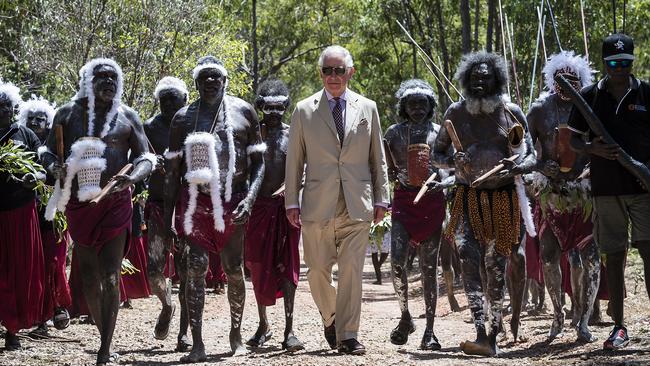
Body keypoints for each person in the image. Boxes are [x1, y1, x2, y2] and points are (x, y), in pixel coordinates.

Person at [41, 58, 155, 365]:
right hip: (81, 203)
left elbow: (146, 156)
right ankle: (104, 333)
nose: (108, 82)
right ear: (88, 82)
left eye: (113, 78)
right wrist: (55, 167)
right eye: (101, 77)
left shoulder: (127, 116)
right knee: (89, 275)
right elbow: (47, 150)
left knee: (110, 273)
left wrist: (132, 177)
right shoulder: (68, 113)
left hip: (116, 201)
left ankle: (105, 349)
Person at [285, 45, 390, 355]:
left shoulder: (368, 107)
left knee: (352, 272)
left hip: (358, 203)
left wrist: (382, 198)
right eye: (327, 70)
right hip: (318, 203)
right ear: (320, 74)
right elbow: (295, 160)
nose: (333, 76)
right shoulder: (304, 110)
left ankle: (348, 335)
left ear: (350, 72)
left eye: (339, 70)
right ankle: (331, 316)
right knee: (316, 270)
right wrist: (292, 201)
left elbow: (378, 159)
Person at [433, 51, 536, 356]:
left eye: (486, 77)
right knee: (467, 257)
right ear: (467, 80)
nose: (480, 82)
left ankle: (492, 334)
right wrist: (454, 161)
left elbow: (531, 155)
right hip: (467, 198)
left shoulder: (511, 110)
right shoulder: (455, 113)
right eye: (475, 78)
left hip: (503, 198)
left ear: (496, 80)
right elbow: (437, 156)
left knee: (497, 265)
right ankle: (481, 330)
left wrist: (517, 166)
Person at [164, 56, 265, 363]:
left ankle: (236, 335)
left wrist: (249, 200)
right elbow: (172, 171)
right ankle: (197, 343)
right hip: (196, 200)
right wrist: (170, 216)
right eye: (204, 77)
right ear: (196, 83)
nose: (210, 81)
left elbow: (258, 164)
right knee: (194, 268)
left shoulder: (243, 112)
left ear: (225, 81)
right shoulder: (183, 118)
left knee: (234, 268)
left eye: (215, 77)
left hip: (234, 198)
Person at [567, 33, 650, 350]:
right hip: (606, 189)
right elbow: (574, 141)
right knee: (614, 256)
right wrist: (592, 149)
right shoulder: (588, 96)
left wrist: (644, 168)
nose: (619, 69)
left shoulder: (646, 93)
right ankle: (619, 326)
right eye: (613, 63)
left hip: (642, 188)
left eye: (624, 63)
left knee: (648, 252)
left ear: (632, 62)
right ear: (604, 63)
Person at [526, 50, 601, 342]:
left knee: (591, 259)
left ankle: (582, 320)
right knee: (548, 256)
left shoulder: (589, 108)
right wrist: (541, 164)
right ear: (552, 80)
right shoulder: (539, 109)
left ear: (580, 81)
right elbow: (525, 150)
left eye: (572, 80)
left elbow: (600, 143)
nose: (566, 85)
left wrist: (591, 168)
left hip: (582, 196)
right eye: (561, 80)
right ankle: (557, 315)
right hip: (551, 193)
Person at [384, 79, 452, 350]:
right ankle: (405, 317)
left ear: (430, 106)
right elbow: (385, 166)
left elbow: (451, 167)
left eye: (422, 104)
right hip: (403, 201)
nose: (417, 109)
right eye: (412, 104)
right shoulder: (393, 134)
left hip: (432, 203)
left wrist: (443, 181)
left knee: (429, 268)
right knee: (397, 263)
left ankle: (430, 331)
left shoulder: (440, 133)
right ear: (404, 107)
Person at [244, 79, 304, 352]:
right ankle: (263, 324)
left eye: (280, 107)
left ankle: (289, 329)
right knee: (257, 266)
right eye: (269, 107)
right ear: (261, 107)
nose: (275, 113)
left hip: (286, 209)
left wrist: (292, 189)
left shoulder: (294, 135)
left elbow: (307, 169)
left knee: (288, 265)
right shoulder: (252, 136)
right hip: (257, 209)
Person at [19, 96, 73, 334]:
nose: (35, 123)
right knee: (36, 264)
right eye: (31, 119)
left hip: (55, 212)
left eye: (41, 119)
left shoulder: (56, 148)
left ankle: (57, 308)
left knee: (54, 262)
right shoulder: (22, 147)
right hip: (29, 213)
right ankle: (38, 313)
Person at [0, 81, 45, 350]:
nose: (3, 110)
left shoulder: (26, 135)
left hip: (21, 212)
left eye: (7, 105)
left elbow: (43, 169)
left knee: (18, 270)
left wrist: (33, 177)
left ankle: (13, 329)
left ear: (13, 108)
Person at [144, 76, 188, 344]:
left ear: (185, 99)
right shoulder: (148, 127)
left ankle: (184, 333)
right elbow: (136, 157)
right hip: (158, 205)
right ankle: (167, 304)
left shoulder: (193, 124)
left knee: (187, 272)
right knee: (153, 270)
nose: (169, 103)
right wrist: (150, 163)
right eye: (164, 98)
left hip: (187, 206)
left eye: (175, 98)